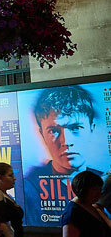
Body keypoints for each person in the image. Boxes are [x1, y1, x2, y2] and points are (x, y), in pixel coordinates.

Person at [23, 86, 103, 226]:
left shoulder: (105, 181)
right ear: (42, 135)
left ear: (92, 128)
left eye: (76, 128)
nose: (66, 142)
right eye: (53, 131)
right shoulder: (29, 188)